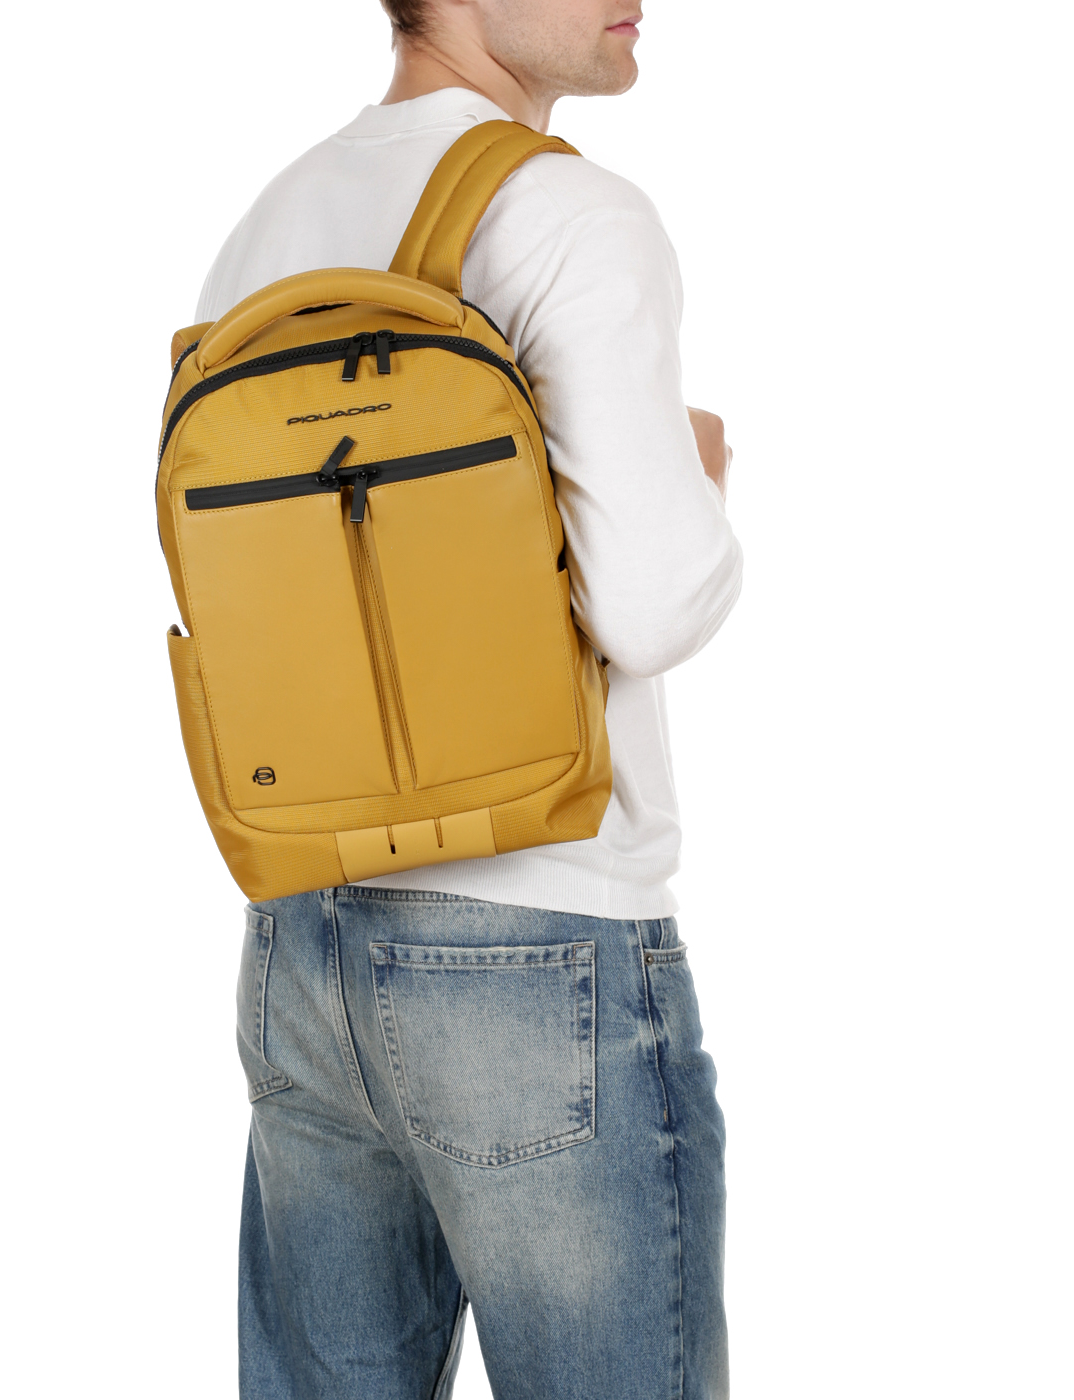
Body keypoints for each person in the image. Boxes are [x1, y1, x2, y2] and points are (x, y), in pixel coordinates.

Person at [194, 3, 743, 1396]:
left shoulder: (271, 223)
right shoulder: (570, 217)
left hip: (303, 939)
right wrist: (698, 475)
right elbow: (654, 604)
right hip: (539, 936)